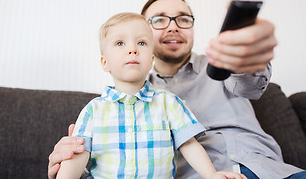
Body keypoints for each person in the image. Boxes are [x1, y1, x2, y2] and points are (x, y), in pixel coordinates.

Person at [49, 0, 306, 179]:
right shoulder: (116, 105)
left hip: (268, 172)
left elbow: (250, 83)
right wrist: (70, 163)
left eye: (183, 19)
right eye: (159, 20)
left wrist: (248, 56)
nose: (173, 26)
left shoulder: (221, 64)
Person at [55, 12, 247, 179]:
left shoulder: (168, 103)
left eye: (142, 43)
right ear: (105, 62)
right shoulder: (93, 110)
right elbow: (78, 154)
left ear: (151, 60)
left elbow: (188, 144)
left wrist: (211, 174)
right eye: (120, 43)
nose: (133, 49)